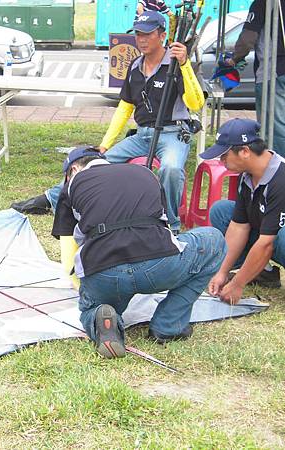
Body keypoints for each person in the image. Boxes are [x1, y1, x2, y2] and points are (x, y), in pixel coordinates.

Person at [13, 11, 204, 234]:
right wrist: (105, 144)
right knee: (93, 163)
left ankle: (171, 225)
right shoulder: (135, 66)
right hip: (142, 135)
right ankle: (50, 199)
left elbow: (196, 103)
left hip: (173, 133)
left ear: (162, 35)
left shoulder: (174, 65)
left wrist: (184, 64)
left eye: (148, 34)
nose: (141, 39)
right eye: (138, 34)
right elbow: (125, 108)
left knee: (171, 169)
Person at [52, 148, 226, 358]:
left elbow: (68, 248)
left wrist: (84, 289)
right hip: (159, 265)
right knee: (214, 239)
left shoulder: (72, 186)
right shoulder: (145, 173)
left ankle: (101, 318)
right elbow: (167, 226)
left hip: (104, 272)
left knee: (95, 307)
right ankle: (168, 325)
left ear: (73, 169)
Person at [205, 119, 285, 304]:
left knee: (279, 235)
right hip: (268, 235)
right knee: (222, 211)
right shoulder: (246, 175)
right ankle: (262, 272)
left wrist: (238, 284)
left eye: (224, 155)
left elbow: (266, 243)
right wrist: (221, 272)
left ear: (245, 152)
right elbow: (238, 226)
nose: (221, 160)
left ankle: (249, 271)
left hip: (276, 239)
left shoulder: (281, 179)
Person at [226, 0, 285, 158]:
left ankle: (278, 172)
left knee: (274, 129)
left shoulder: (262, 3)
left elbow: (247, 39)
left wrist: (233, 60)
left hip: (273, 72)